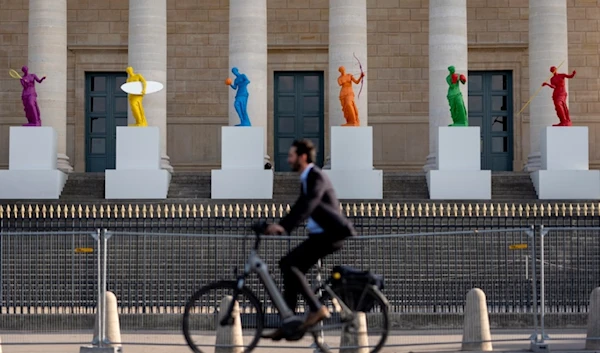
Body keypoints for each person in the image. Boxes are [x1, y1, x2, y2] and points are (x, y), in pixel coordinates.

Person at [262, 139, 357, 340]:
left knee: (289, 265)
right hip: (321, 235)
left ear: (302, 157)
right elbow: (299, 206)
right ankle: (288, 322)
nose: (288, 159)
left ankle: (316, 308)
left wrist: (284, 227)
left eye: (291, 155)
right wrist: (279, 225)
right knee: (289, 269)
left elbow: (308, 204)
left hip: (331, 235)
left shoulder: (316, 176)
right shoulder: (307, 178)